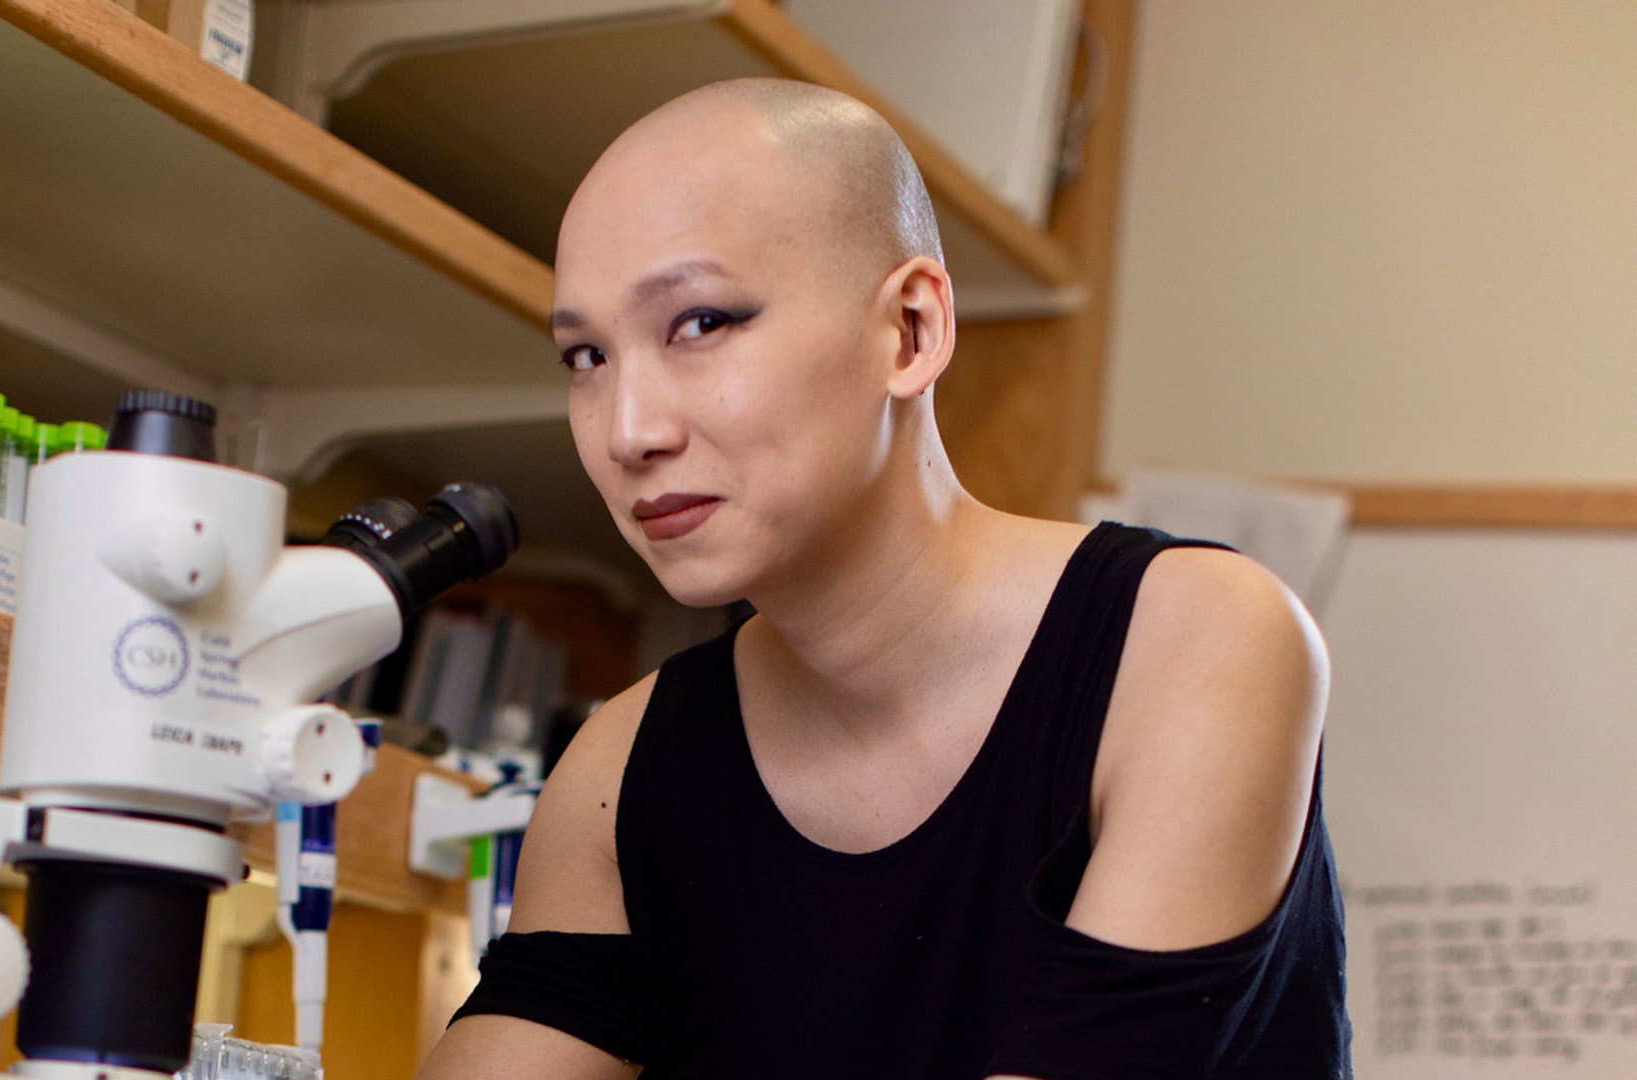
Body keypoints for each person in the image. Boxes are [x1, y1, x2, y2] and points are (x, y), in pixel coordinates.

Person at [415, 78, 1348, 1079]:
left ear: (910, 330)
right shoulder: (624, 769)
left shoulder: (1193, 646)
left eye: (699, 324)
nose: (629, 429)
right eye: (586, 355)